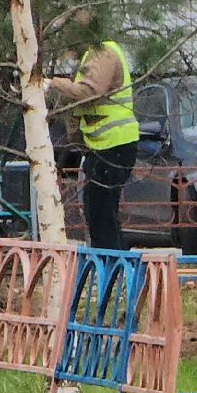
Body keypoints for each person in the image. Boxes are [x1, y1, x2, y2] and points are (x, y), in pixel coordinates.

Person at [48, 22, 139, 251]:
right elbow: (80, 107)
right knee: (100, 213)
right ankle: (115, 268)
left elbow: (89, 93)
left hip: (113, 145)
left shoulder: (102, 53)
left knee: (100, 213)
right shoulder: (93, 56)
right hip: (103, 146)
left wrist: (52, 84)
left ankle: (112, 269)